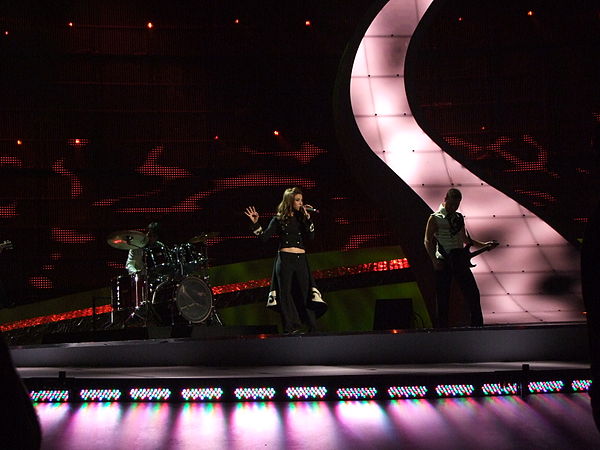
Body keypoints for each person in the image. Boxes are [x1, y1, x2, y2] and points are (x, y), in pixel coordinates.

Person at [245, 187, 326, 334]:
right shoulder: (278, 219)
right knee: (285, 293)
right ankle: (291, 327)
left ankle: (312, 327)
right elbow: (264, 237)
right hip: (285, 259)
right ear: (289, 201)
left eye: (301, 200)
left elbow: (311, 237)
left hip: (301, 258)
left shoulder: (302, 218)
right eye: (297, 200)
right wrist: (255, 224)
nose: (301, 203)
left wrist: (308, 218)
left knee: (304, 292)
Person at [424, 188, 496, 328]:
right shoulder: (435, 218)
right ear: (445, 199)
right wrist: (434, 260)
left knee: (473, 294)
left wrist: (485, 245)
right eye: (451, 204)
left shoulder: (458, 217)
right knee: (443, 298)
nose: (453, 207)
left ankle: (477, 328)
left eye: (456, 205)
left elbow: (465, 239)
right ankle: (441, 330)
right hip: (444, 261)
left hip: (459, 259)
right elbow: (427, 241)